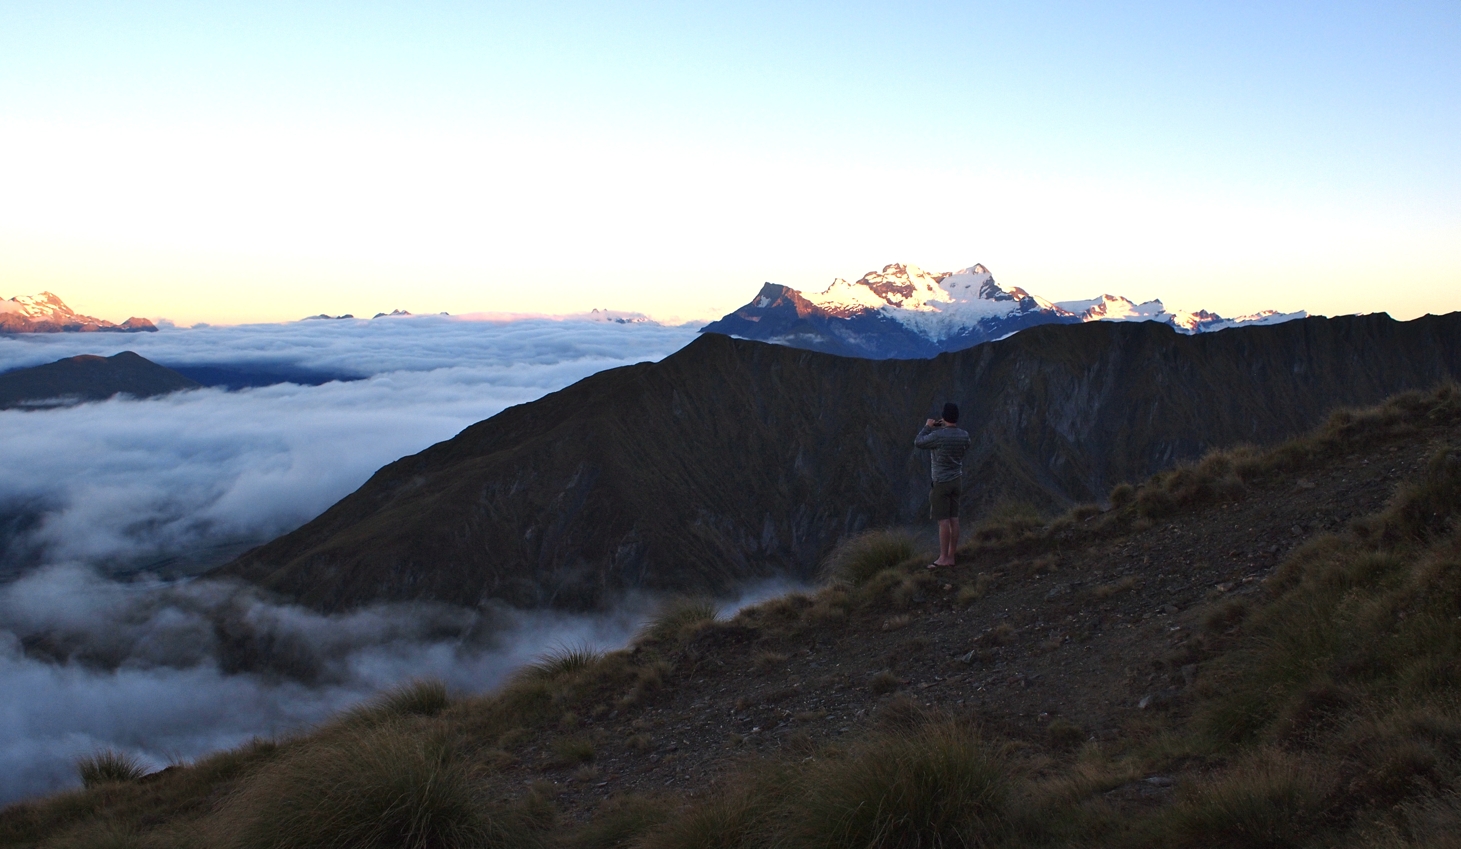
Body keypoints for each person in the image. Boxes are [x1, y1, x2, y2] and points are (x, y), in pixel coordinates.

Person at [915, 402, 971, 568]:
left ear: (944, 417)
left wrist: (928, 426)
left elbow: (918, 442)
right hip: (957, 480)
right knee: (954, 518)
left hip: (941, 482)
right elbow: (966, 446)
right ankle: (951, 556)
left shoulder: (938, 436)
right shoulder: (964, 435)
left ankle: (943, 558)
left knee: (943, 521)